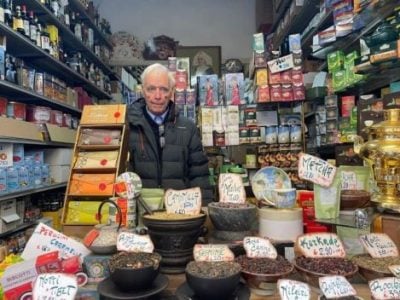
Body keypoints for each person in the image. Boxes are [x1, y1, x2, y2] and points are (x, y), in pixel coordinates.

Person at [127, 63, 214, 205]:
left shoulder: (188, 128)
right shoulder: (128, 127)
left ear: (172, 91)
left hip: (180, 214)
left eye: (163, 89)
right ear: (143, 90)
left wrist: (203, 211)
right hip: (140, 213)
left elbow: (200, 177)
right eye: (151, 89)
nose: (157, 96)